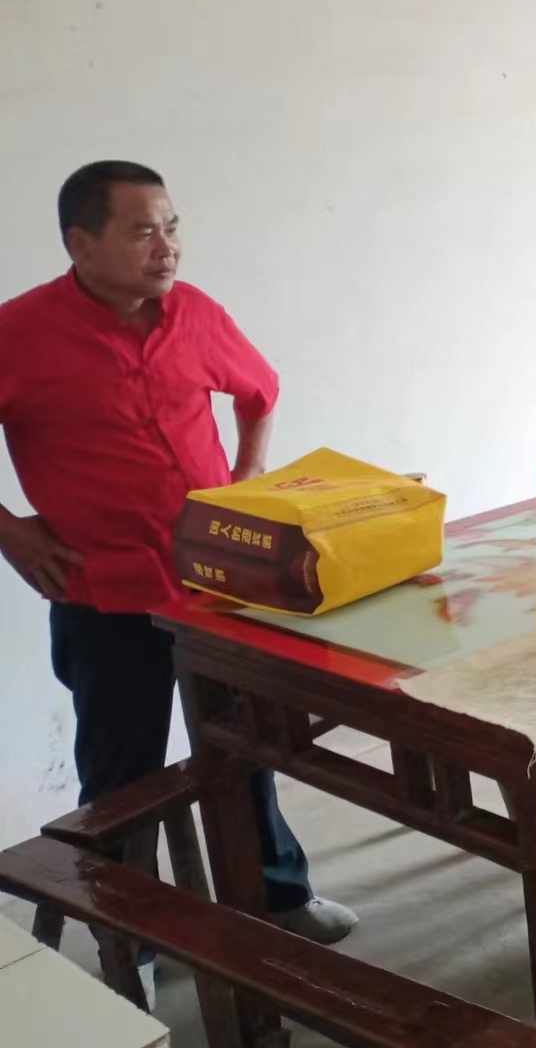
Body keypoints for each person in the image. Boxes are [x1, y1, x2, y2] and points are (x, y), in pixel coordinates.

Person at [0, 162, 359, 979]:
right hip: (105, 595)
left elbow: (260, 390)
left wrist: (245, 484)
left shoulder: (195, 313)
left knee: (245, 744)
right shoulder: (20, 332)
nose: (166, 248)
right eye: (142, 231)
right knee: (122, 777)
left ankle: (278, 895)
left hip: (214, 583)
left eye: (171, 227)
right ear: (80, 243)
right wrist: (10, 533)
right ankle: (130, 941)